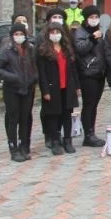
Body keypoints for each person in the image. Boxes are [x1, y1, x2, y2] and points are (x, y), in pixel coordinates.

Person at [0, 23, 38, 162]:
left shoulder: (30, 49)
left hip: (27, 89)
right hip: (12, 89)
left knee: (25, 118)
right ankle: (13, 148)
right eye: (16, 34)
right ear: (12, 36)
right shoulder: (6, 51)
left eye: (21, 34)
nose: (19, 37)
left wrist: (34, 78)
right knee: (13, 119)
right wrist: (12, 77)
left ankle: (24, 145)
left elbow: (35, 66)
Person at [37, 22, 80, 155]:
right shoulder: (43, 51)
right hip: (52, 88)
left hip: (67, 87)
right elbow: (41, 73)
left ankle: (68, 140)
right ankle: (55, 141)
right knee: (53, 116)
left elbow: (73, 70)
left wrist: (77, 86)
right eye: (52, 33)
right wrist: (45, 91)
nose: (55, 35)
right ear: (48, 34)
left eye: (58, 32)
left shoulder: (67, 50)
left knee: (67, 114)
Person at [73, 5, 107, 147]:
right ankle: (88, 134)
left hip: (99, 72)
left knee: (94, 105)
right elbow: (80, 49)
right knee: (89, 104)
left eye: (96, 17)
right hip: (88, 73)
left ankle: (91, 131)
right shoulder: (81, 32)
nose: (94, 20)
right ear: (86, 19)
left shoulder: (100, 31)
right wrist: (92, 38)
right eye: (91, 17)